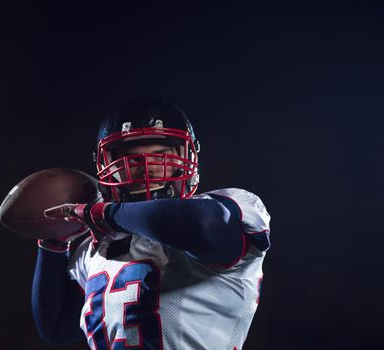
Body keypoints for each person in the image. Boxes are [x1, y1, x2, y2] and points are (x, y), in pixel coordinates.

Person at [31, 96, 271, 350]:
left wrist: (104, 214)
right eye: (133, 159)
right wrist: (53, 243)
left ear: (187, 156)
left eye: (161, 155)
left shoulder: (227, 209)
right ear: (108, 166)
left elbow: (200, 225)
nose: (148, 168)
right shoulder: (98, 247)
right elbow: (55, 327)